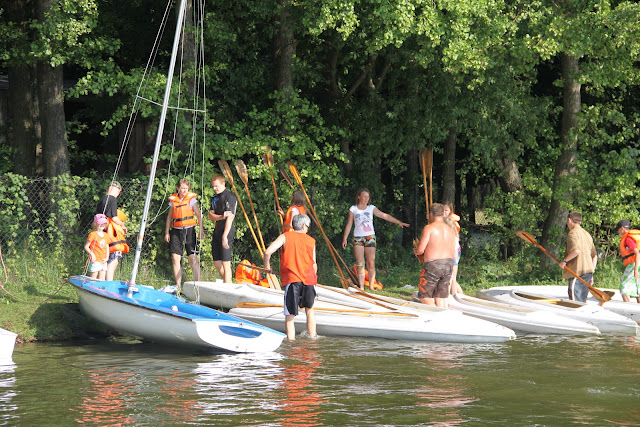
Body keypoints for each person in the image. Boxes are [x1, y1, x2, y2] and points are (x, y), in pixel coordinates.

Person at [341, 188, 409, 291]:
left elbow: (384, 215)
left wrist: (398, 222)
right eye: (364, 196)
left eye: (368, 197)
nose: (366, 199)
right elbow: (349, 224)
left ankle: (372, 286)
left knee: (371, 263)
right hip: (358, 238)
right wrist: (345, 238)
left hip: (370, 237)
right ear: (359, 197)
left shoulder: (371, 208)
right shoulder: (353, 209)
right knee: (360, 263)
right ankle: (361, 286)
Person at [263, 214, 318, 340]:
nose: (307, 229)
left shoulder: (285, 236)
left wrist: (267, 267)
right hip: (309, 280)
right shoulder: (311, 241)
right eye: (307, 226)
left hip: (293, 280)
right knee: (310, 310)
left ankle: (291, 343)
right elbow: (314, 265)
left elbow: (267, 252)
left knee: (290, 316)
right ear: (303, 226)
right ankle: (312, 339)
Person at [413, 203, 457, 308]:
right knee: (441, 297)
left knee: (424, 296)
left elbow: (420, 250)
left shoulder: (429, 228)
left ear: (431, 214)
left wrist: (416, 251)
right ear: (442, 214)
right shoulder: (451, 230)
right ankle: (443, 313)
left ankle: (437, 313)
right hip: (448, 265)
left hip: (433, 266)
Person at [164, 179, 205, 290]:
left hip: (189, 230)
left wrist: (201, 230)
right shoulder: (173, 201)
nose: (184, 191)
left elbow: (198, 215)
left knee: (192, 257)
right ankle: (178, 285)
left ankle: (199, 284)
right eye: (182, 188)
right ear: (178, 188)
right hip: (176, 230)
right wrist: (167, 232)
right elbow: (169, 217)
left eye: (186, 188)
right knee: (175, 257)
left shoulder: (191, 200)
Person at [558, 211, 597, 303]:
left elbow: (576, 251)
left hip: (577, 272)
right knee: (582, 301)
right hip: (588, 273)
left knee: (575, 301)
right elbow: (595, 256)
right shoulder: (587, 234)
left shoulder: (573, 233)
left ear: (569, 220)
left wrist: (564, 261)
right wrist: (592, 272)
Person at [96, 181, 128, 281]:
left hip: (102, 232)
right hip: (111, 234)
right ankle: (109, 283)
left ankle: (100, 281)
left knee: (103, 259)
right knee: (113, 261)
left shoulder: (101, 200)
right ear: (118, 190)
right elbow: (114, 218)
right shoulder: (112, 199)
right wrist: (122, 225)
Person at [209, 174, 237, 283]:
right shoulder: (214, 198)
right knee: (217, 262)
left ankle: (227, 285)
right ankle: (228, 282)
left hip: (227, 231)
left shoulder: (230, 197)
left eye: (216, 186)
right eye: (213, 186)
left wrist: (225, 236)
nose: (214, 188)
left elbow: (230, 218)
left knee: (226, 263)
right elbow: (211, 216)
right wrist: (221, 216)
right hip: (217, 230)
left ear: (223, 184)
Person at [615, 219, 640, 303]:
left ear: (622, 228)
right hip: (638, 263)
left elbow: (637, 253)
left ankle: (627, 307)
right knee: (637, 287)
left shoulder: (628, 239)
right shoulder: (632, 236)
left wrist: (635, 270)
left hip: (634, 264)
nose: (618, 231)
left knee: (623, 287)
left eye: (618, 229)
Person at [443, 201, 463, 295]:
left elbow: (454, 244)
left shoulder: (450, 223)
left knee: (451, 277)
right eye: (443, 210)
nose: (444, 212)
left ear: (450, 211)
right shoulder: (443, 221)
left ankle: (455, 295)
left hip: (454, 252)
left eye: (446, 210)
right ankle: (459, 295)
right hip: (451, 252)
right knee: (451, 277)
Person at [84, 214, 111, 280]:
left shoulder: (106, 235)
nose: (102, 225)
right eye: (100, 223)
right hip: (95, 260)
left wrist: (107, 257)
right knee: (93, 278)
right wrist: (92, 254)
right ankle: (91, 286)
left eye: (104, 223)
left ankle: (101, 287)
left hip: (103, 260)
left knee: (102, 278)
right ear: (95, 224)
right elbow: (86, 246)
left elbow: (107, 247)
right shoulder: (93, 234)